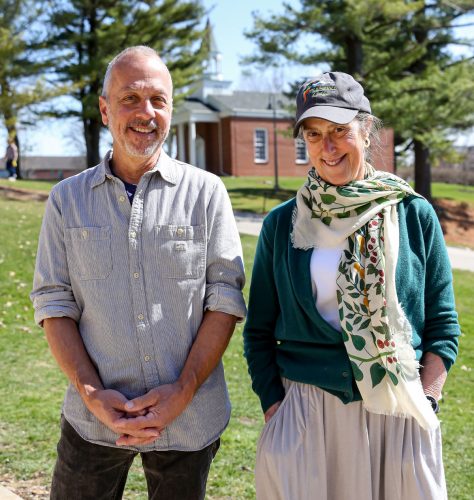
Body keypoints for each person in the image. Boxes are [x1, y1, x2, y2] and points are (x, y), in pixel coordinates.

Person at [30, 46, 246, 500]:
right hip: (92, 419)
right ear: (105, 110)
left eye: (158, 100)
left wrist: (182, 391)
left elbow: (223, 298)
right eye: (130, 98)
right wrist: (91, 392)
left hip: (189, 418)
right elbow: (53, 303)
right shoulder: (66, 201)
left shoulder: (207, 194)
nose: (146, 112)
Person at [243, 72, 460, 500]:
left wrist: (427, 403)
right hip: (308, 412)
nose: (328, 147)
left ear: (366, 129)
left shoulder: (413, 215)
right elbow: (258, 331)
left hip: (398, 412)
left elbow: (443, 324)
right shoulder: (283, 225)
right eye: (315, 133)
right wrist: (276, 408)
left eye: (340, 131)